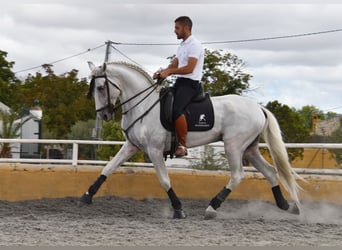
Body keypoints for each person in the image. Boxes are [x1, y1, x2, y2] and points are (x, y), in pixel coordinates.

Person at [154, 16, 204, 157]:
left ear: (186, 28)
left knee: (177, 110)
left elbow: (189, 68)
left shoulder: (194, 45)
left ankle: (183, 144)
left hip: (191, 84)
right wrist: (163, 71)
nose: (174, 31)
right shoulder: (182, 45)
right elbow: (175, 64)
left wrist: (170, 72)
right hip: (180, 83)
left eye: (177, 28)